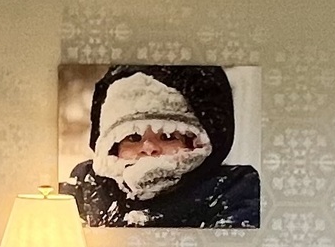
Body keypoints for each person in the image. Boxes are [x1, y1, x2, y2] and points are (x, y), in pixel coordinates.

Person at [61, 64, 260, 229]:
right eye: (133, 137)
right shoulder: (89, 185)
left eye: (167, 136)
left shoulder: (230, 190)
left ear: (194, 142)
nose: (148, 147)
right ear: (112, 146)